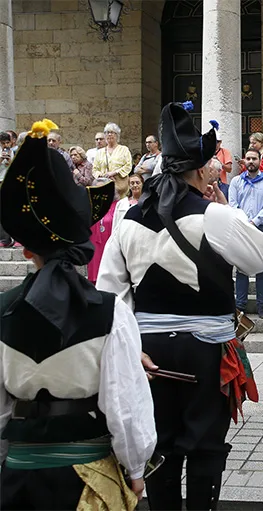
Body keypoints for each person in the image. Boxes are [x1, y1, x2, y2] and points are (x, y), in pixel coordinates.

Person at [96, 102, 263, 510]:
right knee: (206, 445)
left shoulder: (128, 221)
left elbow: (110, 296)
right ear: (199, 170)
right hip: (206, 352)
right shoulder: (215, 216)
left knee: (160, 443)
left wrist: (129, 350)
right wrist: (225, 209)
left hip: (148, 354)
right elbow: (260, 258)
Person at [0, 119, 156, 509]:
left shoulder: (3, 313)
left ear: (26, 251)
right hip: (88, 483)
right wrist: (136, 470)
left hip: (18, 482)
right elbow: (124, 407)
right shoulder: (111, 312)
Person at [229, 149, 263, 319]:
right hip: (241, 228)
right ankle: (240, 306)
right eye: (248, 158)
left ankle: (262, 304)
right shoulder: (236, 181)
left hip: (261, 227)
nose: (250, 161)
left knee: (262, 268)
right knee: (242, 268)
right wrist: (244, 222)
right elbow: (233, 204)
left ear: (260, 160)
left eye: (254, 158)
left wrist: (254, 222)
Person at [92, 122, 133, 199]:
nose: (109, 134)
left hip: (120, 188)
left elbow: (128, 166)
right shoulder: (100, 152)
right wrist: (103, 175)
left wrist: (114, 173)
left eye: (112, 132)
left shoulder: (124, 149)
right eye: (107, 132)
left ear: (117, 135)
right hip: (104, 186)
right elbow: (94, 169)